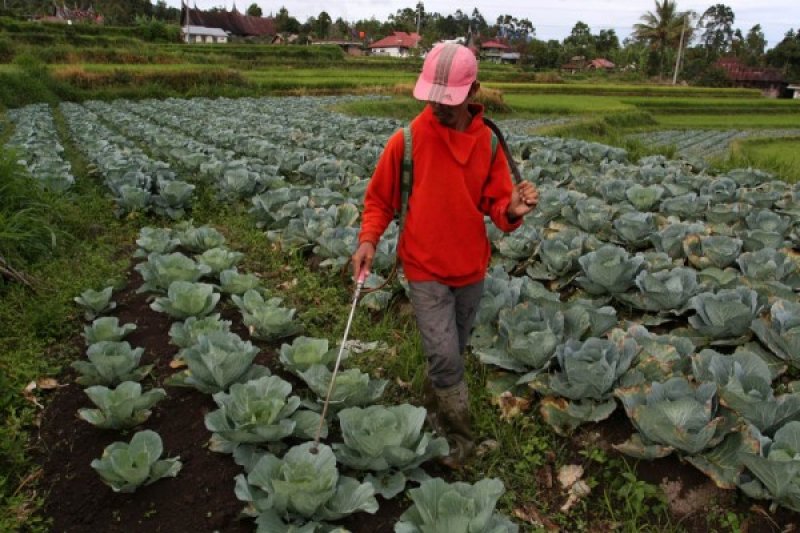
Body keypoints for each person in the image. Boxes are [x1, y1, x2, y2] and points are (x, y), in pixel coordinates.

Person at [351, 42, 539, 468]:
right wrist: (368, 241)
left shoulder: (489, 144)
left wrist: (512, 209)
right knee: (444, 355)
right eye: (433, 97)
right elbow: (380, 200)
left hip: (470, 268)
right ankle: (460, 444)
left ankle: (430, 414)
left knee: (452, 350)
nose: (438, 107)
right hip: (424, 268)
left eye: (448, 99)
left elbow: (496, 206)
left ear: (474, 90)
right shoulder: (408, 141)